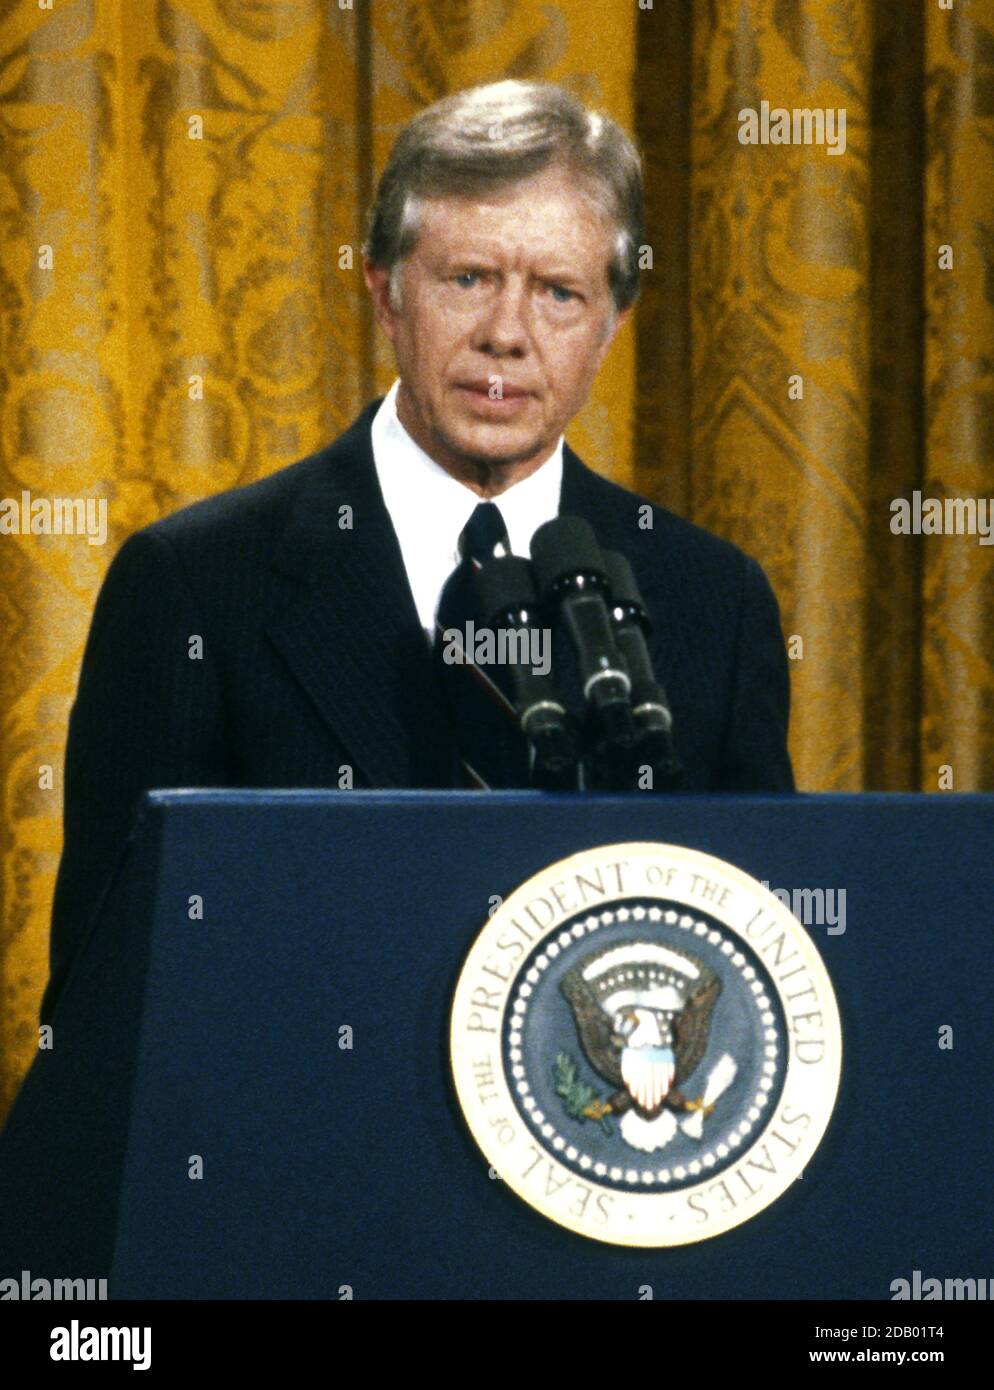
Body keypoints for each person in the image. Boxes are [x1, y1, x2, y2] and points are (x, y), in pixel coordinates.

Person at [40, 79, 793, 1027]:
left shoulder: (709, 602)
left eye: (559, 293)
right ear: (385, 291)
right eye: (468, 279)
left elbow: (758, 975)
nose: (507, 335)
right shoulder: (195, 587)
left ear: (613, 325)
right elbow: (108, 1005)